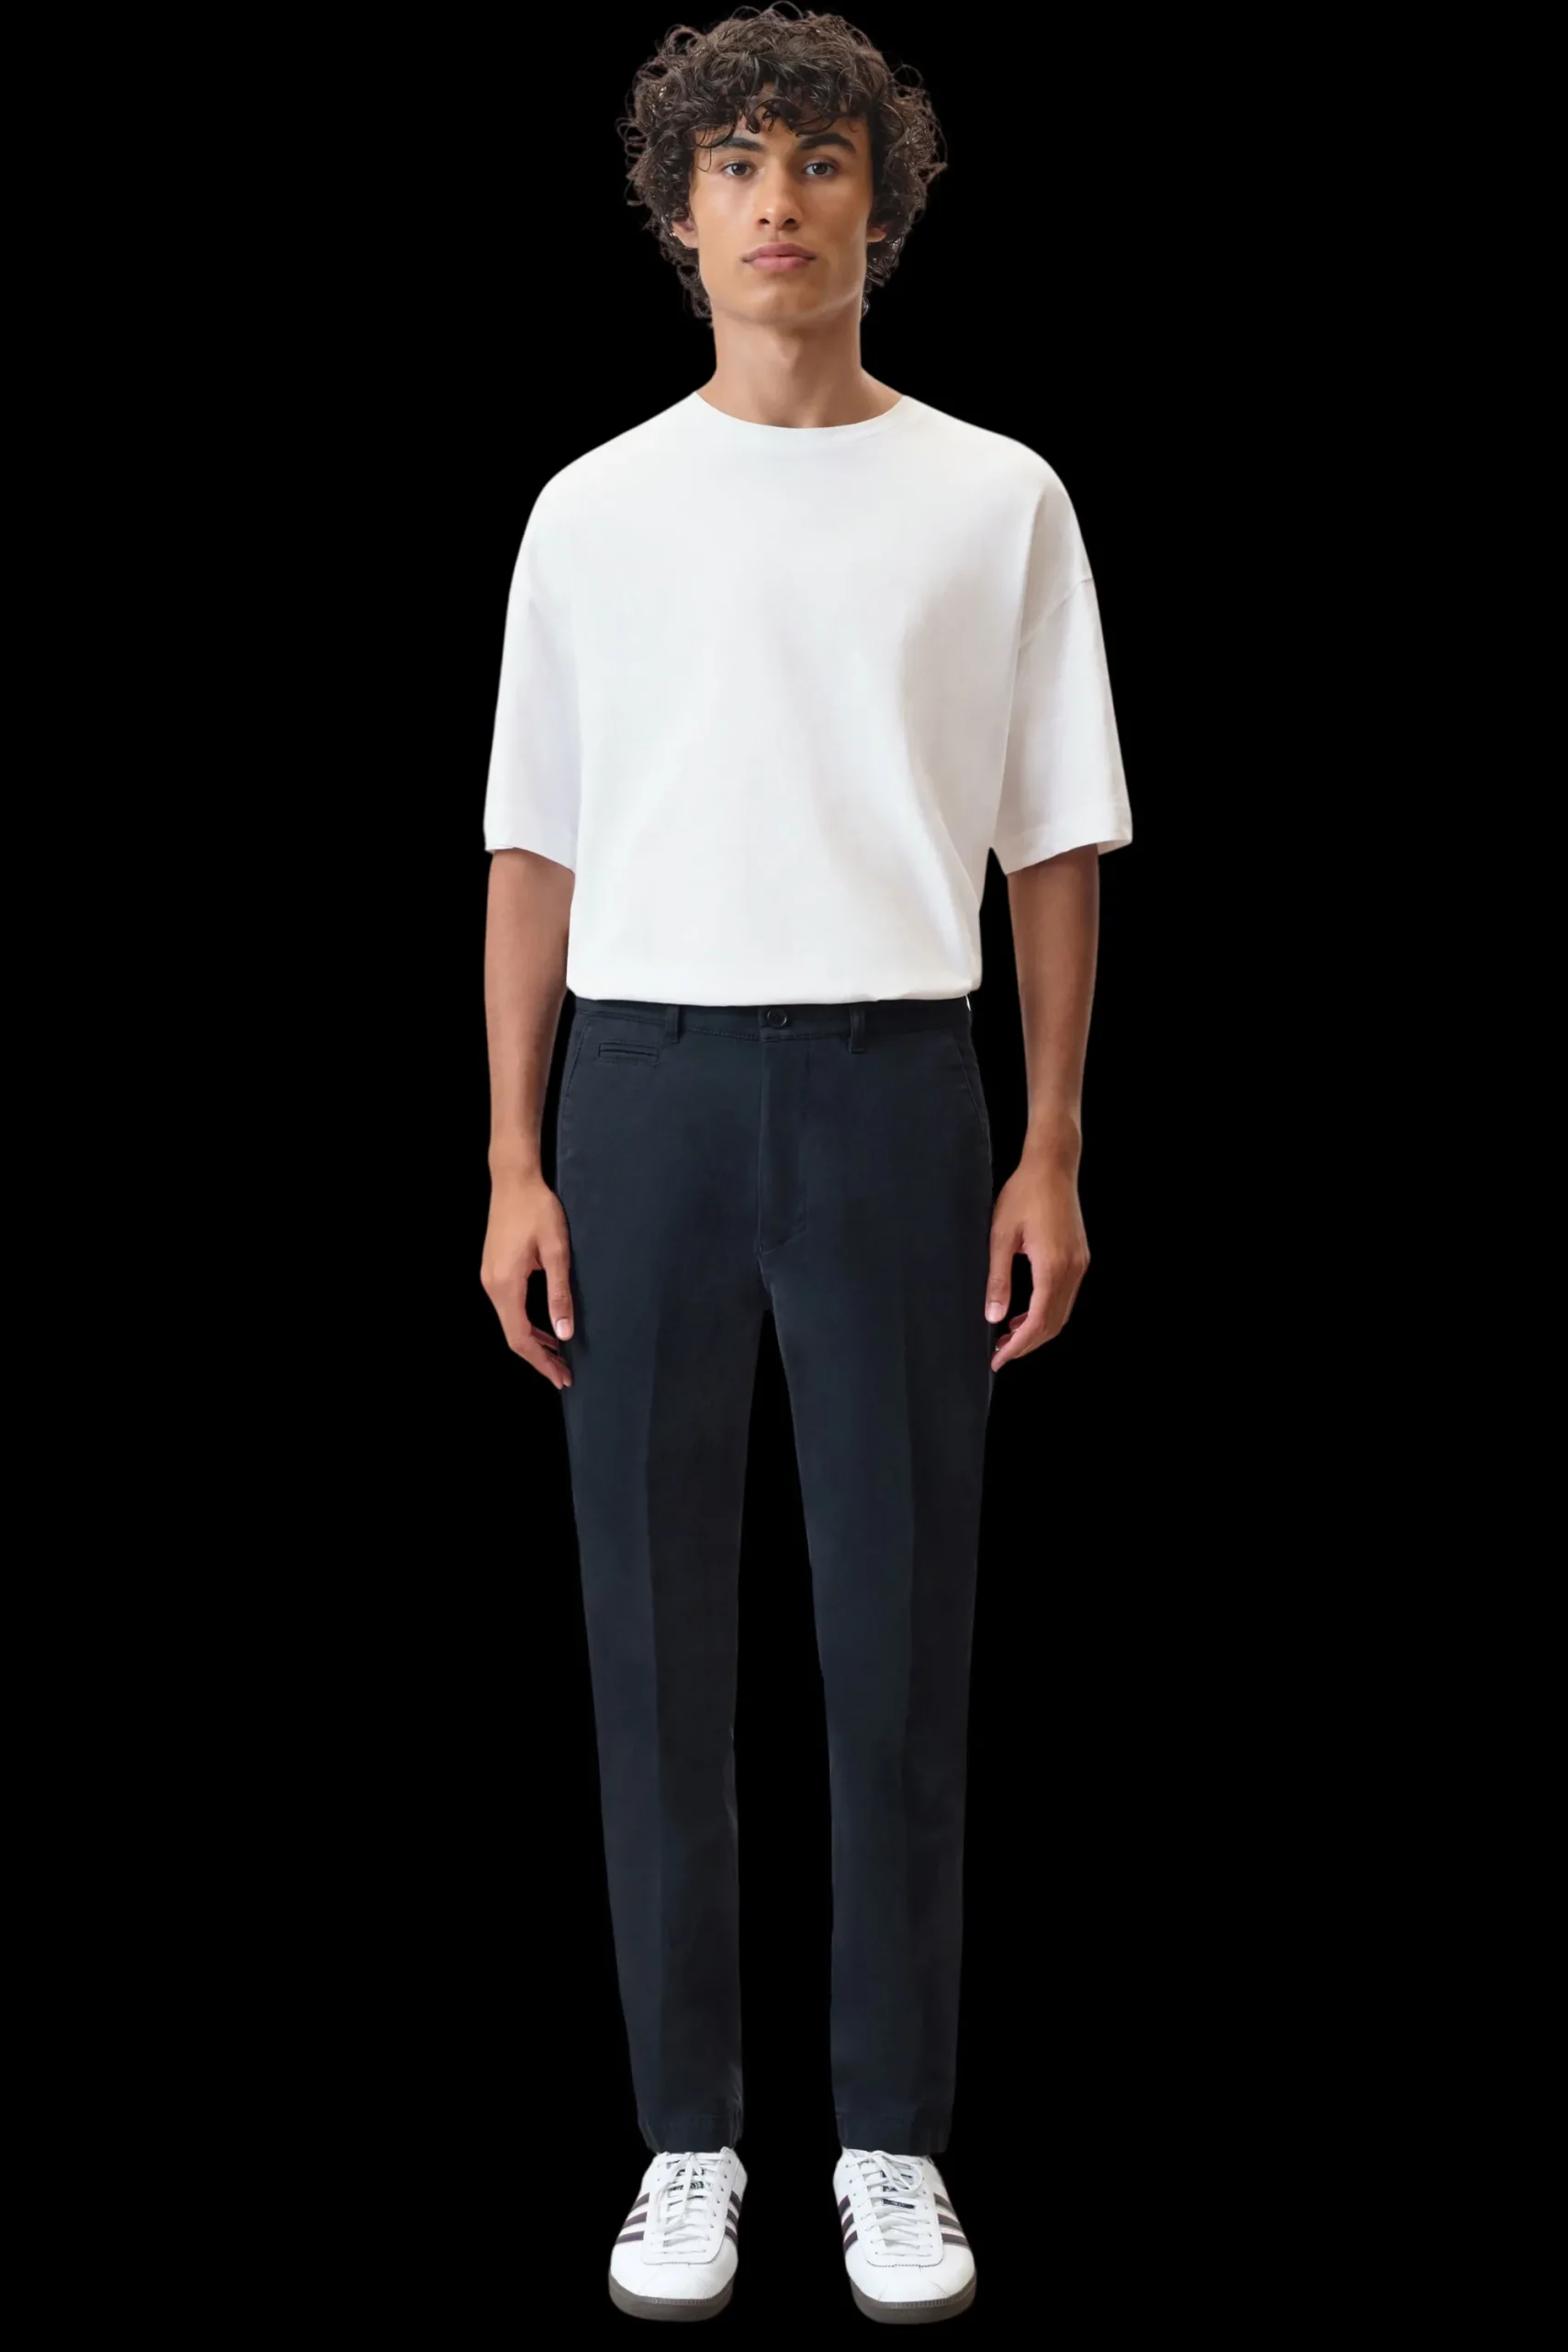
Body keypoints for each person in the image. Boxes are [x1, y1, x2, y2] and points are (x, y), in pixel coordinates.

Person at [479, 6, 1132, 2324]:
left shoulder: (995, 495)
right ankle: (686, 2136)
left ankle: (888, 2139)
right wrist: (511, 1156)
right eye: (738, 161)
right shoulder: (592, 508)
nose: (780, 199)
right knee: (651, 1639)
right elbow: (533, 844)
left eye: (822, 159)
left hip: (890, 1087)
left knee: (898, 1629)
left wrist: (1051, 1141)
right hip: (644, 1089)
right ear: (680, 213)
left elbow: (1053, 839)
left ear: (883, 199)